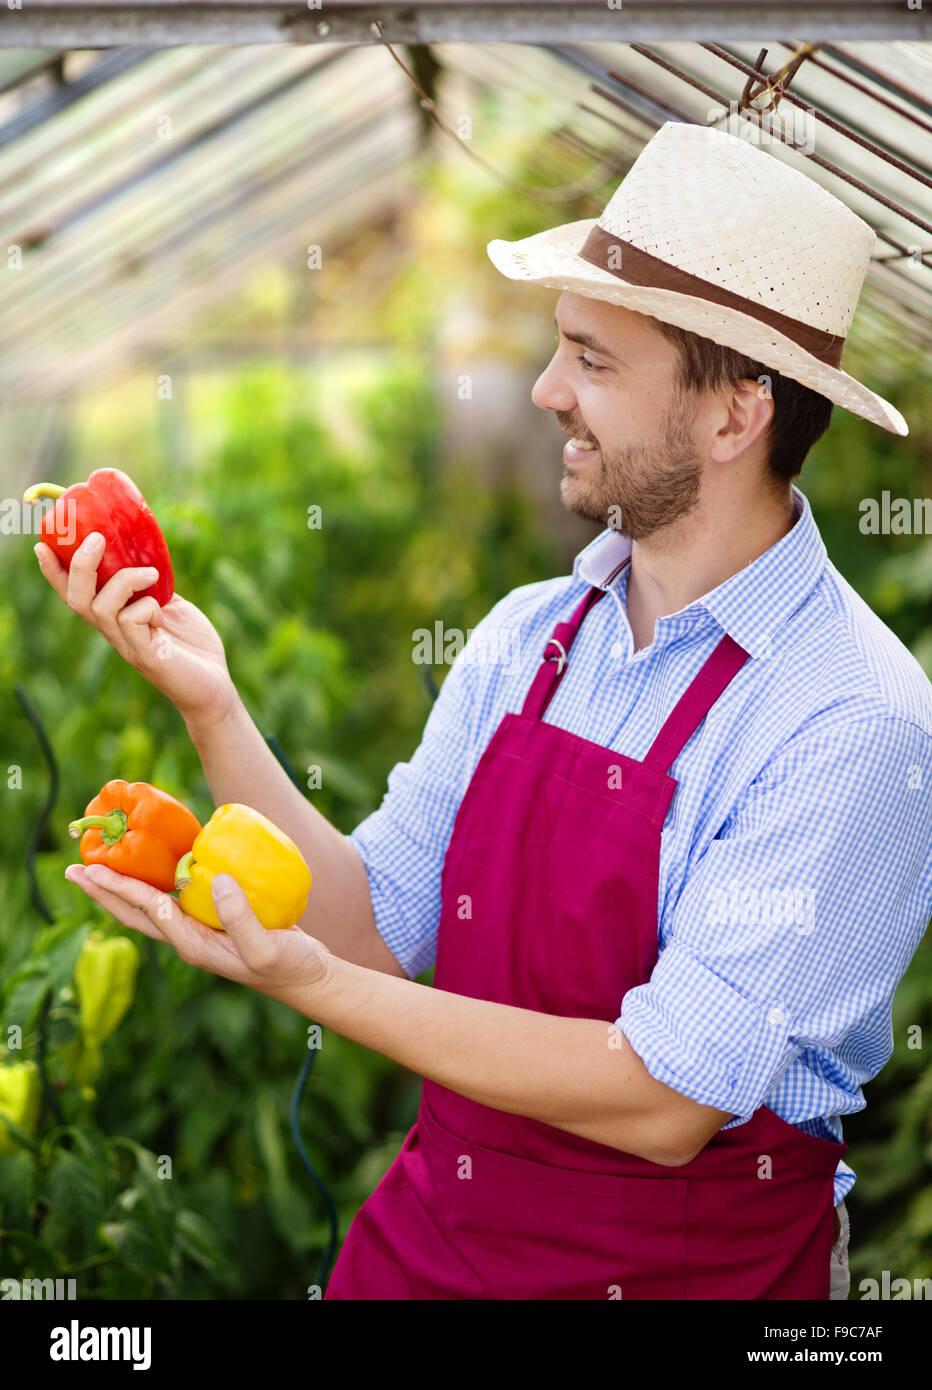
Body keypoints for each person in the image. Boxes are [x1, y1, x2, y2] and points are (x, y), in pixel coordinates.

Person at [46, 122, 930, 1300]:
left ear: (734, 417)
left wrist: (312, 987)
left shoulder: (849, 722)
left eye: (593, 360)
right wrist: (210, 707)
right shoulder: (533, 637)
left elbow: (663, 1097)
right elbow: (368, 924)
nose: (545, 389)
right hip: (432, 1252)